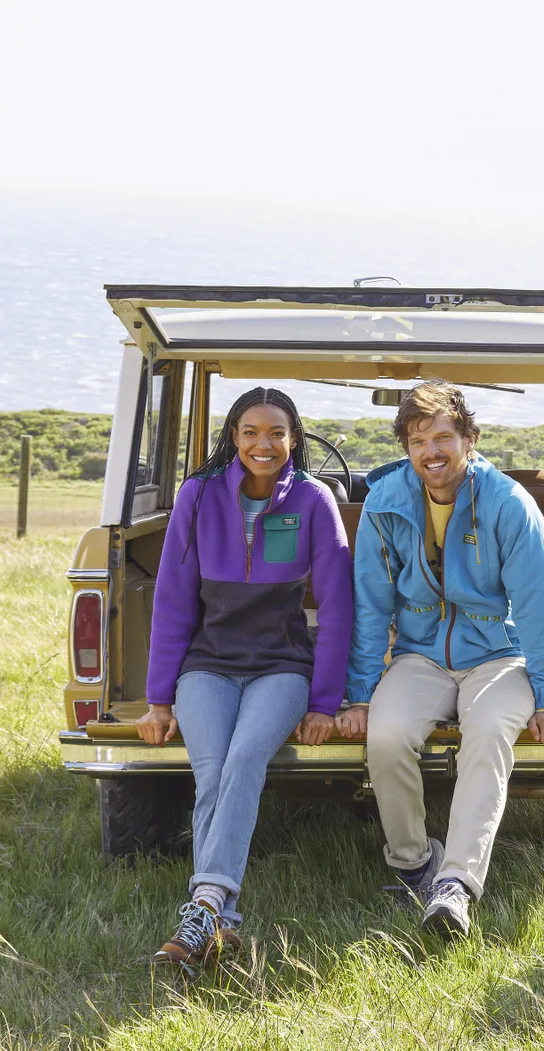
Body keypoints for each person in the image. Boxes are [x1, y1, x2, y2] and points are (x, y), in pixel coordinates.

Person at [336, 381, 544, 938]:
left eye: (444, 436)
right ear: (406, 448)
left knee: (488, 732)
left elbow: (536, 606)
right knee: (387, 736)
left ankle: (456, 885)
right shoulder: (384, 503)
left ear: (470, 438)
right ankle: (414, 863)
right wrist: (362, 693)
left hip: (499, 656)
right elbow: (371, 604)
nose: (432, 451)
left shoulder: (510, 504)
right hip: (419, 655)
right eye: (418, 440)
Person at [137, 387, 352, 968]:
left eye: (276, 433)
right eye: (251, 431)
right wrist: (160, 698)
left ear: (293, 439)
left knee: (244, 759)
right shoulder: (197, 495)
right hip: (207, 664)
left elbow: (336, 608)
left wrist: (325, 702)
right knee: (211, 770)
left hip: (281, 667)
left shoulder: (314, 499)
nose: (264, 443)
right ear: (233, 436)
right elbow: (173, 601)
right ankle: (218, 917)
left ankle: (201, 905)